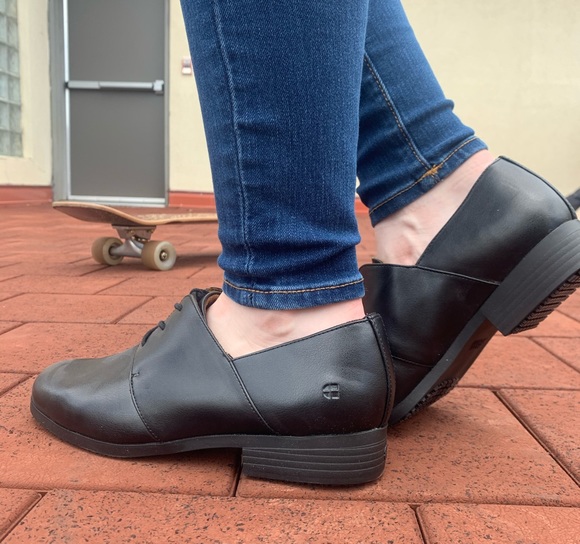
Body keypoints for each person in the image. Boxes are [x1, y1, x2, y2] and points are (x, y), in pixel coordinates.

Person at [30, 0, 580, 485]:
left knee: (292, 287)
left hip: (289, 322)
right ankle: (443, 193)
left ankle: (285, 309)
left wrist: (289, 282)